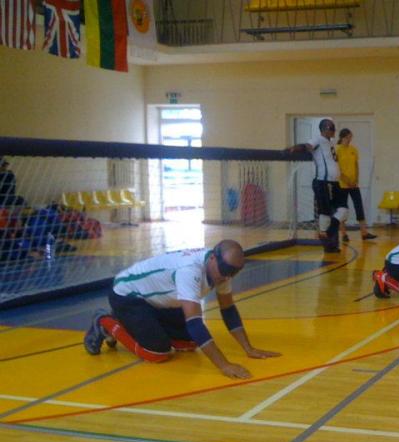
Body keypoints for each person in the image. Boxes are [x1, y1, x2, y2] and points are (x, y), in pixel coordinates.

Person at [84, 240, 281, 379]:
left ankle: (144, 326)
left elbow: (228, 309)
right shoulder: (190, 270)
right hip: (128, 295)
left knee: (187, 343)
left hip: (160, 301)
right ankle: (106, 323)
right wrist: (224, 365)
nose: (228, 277)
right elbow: (195, 323)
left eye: (234, 273)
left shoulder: (221, 270)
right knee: (157, 352)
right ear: (213, 257)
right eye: (226, 271)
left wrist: (249, 349)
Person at [286, 119, 348, 253]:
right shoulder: (318, 139)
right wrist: (295, 148)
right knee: (325, 212)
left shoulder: (330, 142)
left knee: (343, 210)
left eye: (334, 128)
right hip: (323, 182)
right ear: (325, 129)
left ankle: (328, 232)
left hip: (335, 182)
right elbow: (307, 146)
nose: (333, 130)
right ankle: (327, 240)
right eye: (331, 128)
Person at [335, 128, 377, 243]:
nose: (350, 139)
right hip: (342, 184)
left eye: (351, 137)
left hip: (354, 184)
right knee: (343, 209)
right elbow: (336, 168)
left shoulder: (353, 149)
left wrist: (356, 180)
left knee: (359, 206)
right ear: (342, 137)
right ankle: (343, 233)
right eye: (348, 137)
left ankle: (364, 232)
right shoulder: (337, 150)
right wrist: (347, 180)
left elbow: (356, 165)